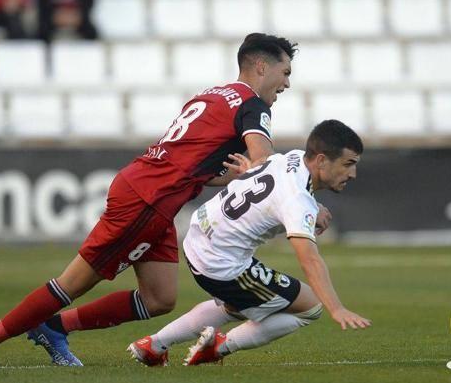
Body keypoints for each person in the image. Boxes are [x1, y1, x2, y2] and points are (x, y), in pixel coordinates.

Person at [0, 33, 313, 366]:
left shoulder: (213, 94)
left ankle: (54, 328)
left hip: (152, 194)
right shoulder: (253, 106)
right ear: (262, 67)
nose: (287, 83)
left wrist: (232, 175)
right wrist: (293, 192)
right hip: (147, 200)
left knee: (159, 299)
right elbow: (266, 162)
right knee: (73, 283)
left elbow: (191, 165)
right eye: (285, 72)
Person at [129, 120, 371, 367]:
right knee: (310, 307)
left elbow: (267, 174)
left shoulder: (293, 158)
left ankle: (153, 345)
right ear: (320, 160)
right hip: (220, 262)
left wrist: (313, 207)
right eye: (348, 164)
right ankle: (219, 346)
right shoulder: (297, 201)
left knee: (235, 305)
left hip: (199, 236)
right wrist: (337, 308)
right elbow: (309, 259)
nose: (352, 174)